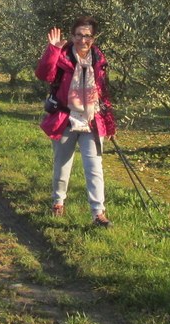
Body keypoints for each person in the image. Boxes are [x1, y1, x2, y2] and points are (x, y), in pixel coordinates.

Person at [35, 16, 116, 227]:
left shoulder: (99, 59)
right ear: (73, 36)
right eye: (79, 34)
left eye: (88, 35)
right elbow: (43, 74)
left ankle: (98, 213)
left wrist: (109, 122)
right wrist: (52, 49)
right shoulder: (62, 55)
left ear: (93, 38)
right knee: (62, 165)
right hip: (66, 117)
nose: (83, 39)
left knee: (94, 167)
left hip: (91, 119)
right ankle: (58, 202)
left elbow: (103, 92)